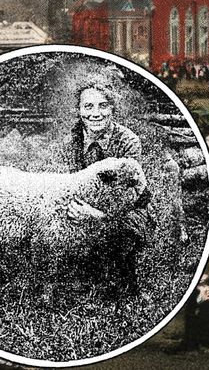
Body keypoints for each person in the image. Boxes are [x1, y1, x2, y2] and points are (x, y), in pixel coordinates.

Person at [60, 81, 154, 291]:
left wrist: (97, 215)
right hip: (81, 204)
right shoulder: (70, 142)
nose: (96, 114)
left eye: (103, 106)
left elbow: (130, 195)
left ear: (112, 108)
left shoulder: (128, 142)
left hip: (124, 209)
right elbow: (66, 183)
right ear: (79, 110)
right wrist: (75, 208)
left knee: (124, 231)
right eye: (88, 106)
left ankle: (123, 278)